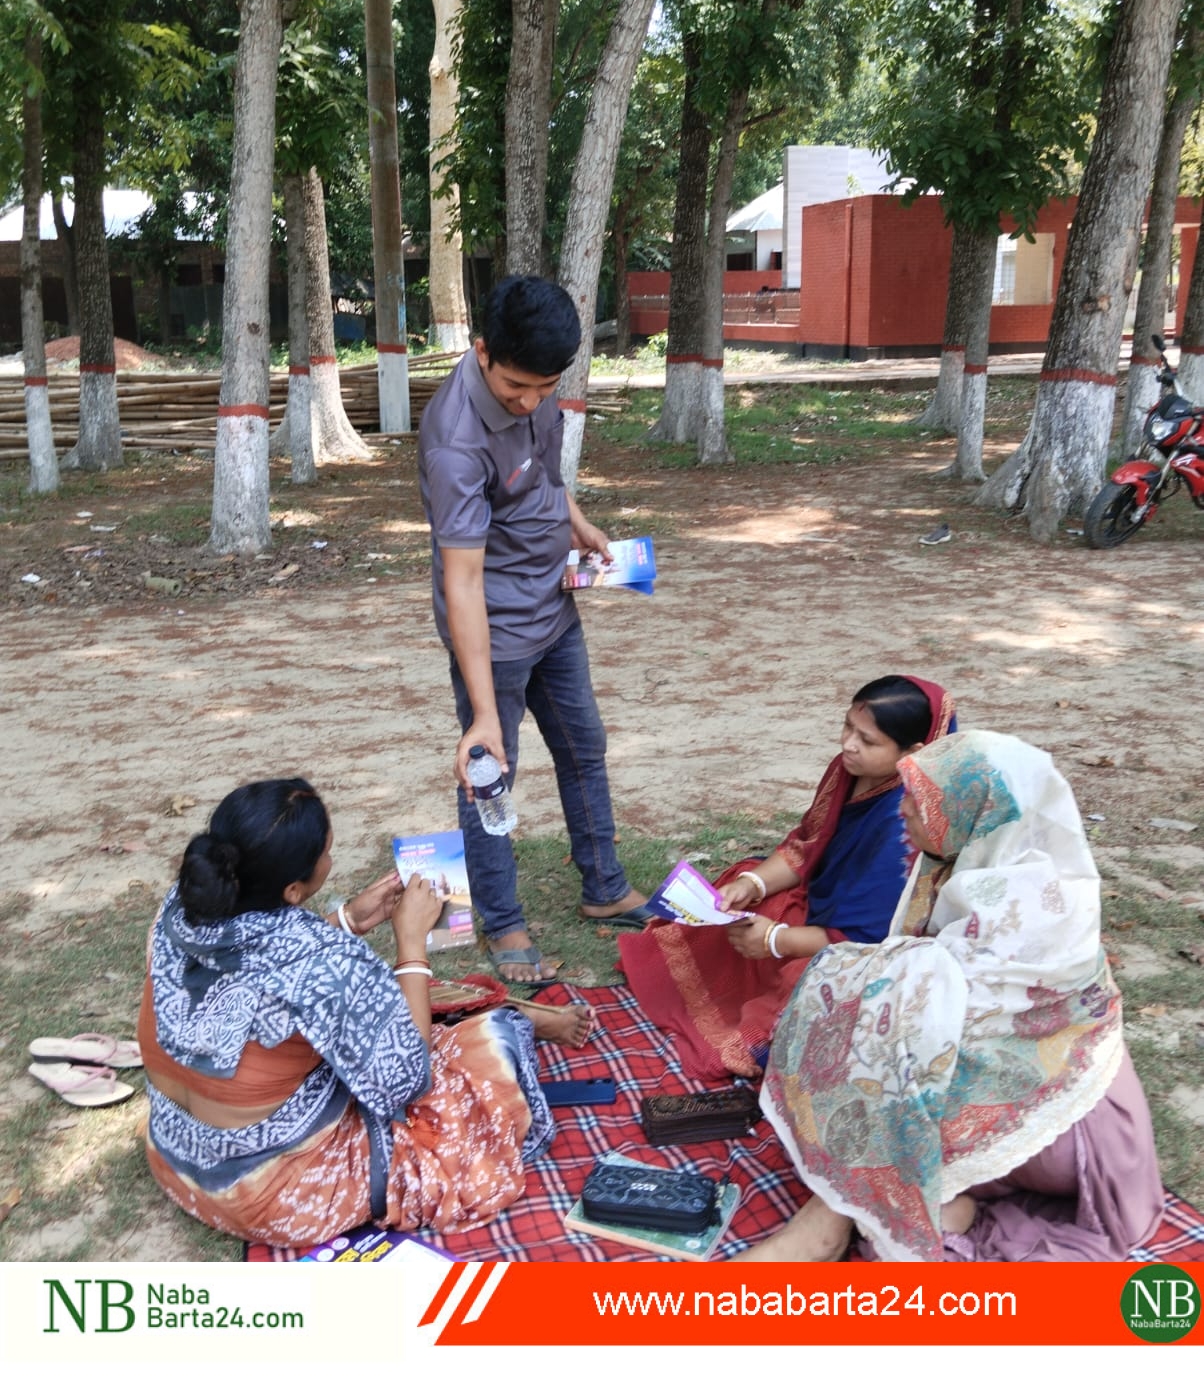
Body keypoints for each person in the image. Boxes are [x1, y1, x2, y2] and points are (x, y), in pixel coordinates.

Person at [746, 730, 1163, 1263]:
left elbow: (951, 1017)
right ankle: (865, 1217)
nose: (903, 814)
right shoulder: (973, 860)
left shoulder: (1034, 898)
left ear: (977, 813)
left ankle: (825, 1227)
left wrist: (848, 977)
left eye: (920, 805)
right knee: (866, 1007)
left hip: (1055, 1122)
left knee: (874, 1019)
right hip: (1010, 1089)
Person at [137, 779, 586, 1249]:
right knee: (492, 1040)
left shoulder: (180, 909)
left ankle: (486, 1012)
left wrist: (349, 918)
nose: (332, 860)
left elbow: (257, 976)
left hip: (176, 1157)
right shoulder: (321, 960)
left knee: (395, 1011)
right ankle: (509, 1015)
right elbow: (409, 1079)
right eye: (327, 853)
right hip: (271, 1195)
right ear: (293, 889)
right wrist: (411, 942)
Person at [418, 275, 650, 987]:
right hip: (495, 633)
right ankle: (503, 917)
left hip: (555, 608)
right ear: (482, 352)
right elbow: (461, 581)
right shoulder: (454, 440)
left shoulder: (540, 391)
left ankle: (603, 886)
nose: (530, 402)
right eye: (517, 386)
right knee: (490, 774)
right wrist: (484, 712)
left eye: (545, 388)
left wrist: (577, 525)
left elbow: (546, 474)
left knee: (585, 744)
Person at [619, 675, 955, 1079]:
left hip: (867, 953)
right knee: (742, 886)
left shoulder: (903, 823)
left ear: (914, 752)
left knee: (808, 982)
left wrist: (776, 940)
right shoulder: (849, 769)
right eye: (848, 726)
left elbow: (870, 940)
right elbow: (805, 844)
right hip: (822, 911)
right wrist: (751, 886)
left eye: (867, 740)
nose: (848, 744)